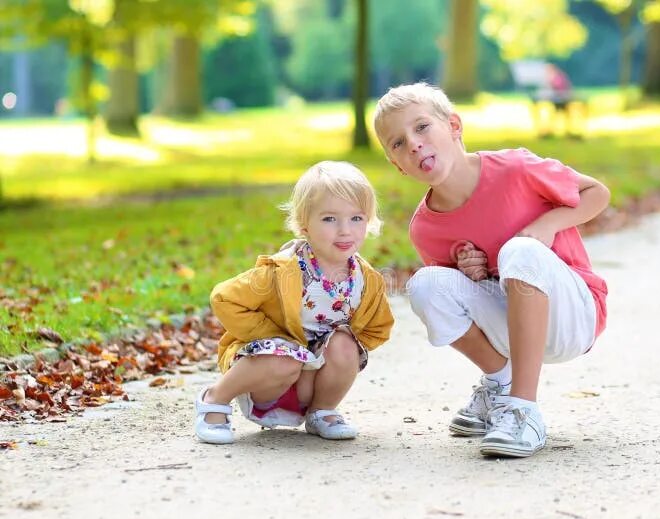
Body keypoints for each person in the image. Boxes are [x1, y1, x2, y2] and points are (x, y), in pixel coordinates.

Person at [373, 82, 609, 458]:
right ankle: (501, 381)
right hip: (511, 329)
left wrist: (547, 225)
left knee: (522, 250)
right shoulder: (426, 228)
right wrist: (473, 274)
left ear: (453, 126)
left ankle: (523, 410)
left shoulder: (514, 168)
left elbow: (597, 192)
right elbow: (459, 305)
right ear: (396, 164)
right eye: (398, 143)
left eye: (421, 127)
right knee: (425, 285)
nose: (413, 143)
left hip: (573, 316)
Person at [194, 161, 394, 444]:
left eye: (356, 218)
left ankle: (322, 411)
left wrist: (338, 352)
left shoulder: (366, 280)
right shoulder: (283, 270)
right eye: (329, 219)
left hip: (310, 383)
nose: (345, 230)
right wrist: (274, 337)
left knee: (346, 345)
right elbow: (224, 298)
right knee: (286, 359)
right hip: (270, 378)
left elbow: (378, 327)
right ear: (304, 225)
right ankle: (215, 399)